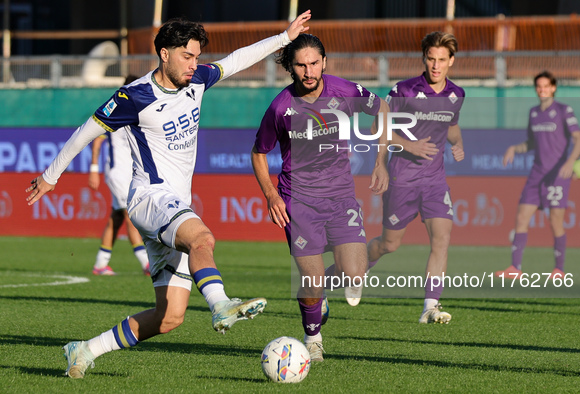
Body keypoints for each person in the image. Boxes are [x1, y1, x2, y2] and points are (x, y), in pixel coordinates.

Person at [25, 11, 311, 378]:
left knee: (170, 316)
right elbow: (87, 130)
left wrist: (284, 38)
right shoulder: (134, 95)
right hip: (149, 198)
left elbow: (236, 60)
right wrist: (51, 176)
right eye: (187, 56)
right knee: (202, 237)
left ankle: (84, 350)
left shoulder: (197, 81)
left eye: (196, 56)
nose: (195, 65)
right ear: (164, 54)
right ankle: (221, 303)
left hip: (174, 207)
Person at [251, 33, 389, 362]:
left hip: (340, 197)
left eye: (314, 63)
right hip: (298, 202)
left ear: (325, 62)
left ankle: (319, 293)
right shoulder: (280, 108)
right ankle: (313, 339)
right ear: (291, 68)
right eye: (301, 65)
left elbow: (382, 108)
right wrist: (271, 195)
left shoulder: (345, 91)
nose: (309, 71)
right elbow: (258, 153)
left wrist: (380, 161)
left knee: (355, 272)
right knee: (310, 281)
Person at [366, 31, 465, 324]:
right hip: (402, 179)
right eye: (431, 59)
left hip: (435, 181)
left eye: (442, 60)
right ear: (424, 59)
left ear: (451, 61)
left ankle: (430, 307)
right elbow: (376, 127)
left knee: (442, 239)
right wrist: (408, 145)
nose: (436, 66)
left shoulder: (456, 94)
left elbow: (451, 125)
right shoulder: (403, 91)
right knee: (389, 244)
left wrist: (457, 142)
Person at [495, 71, 580, 279]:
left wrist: (571, 162)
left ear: (553, 88)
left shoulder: (564, 110)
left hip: (557, 174)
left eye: (546, 86)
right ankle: (515, 268)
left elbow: (578, 139)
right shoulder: (534, 112)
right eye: (539, 86)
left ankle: (559, 269)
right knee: (522, 217)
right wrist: (514, 149)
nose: (542, 90)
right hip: (537, 173)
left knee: (555, 221)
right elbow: (531, 143)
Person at [88, 75, 151, 276]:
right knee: (130, 215)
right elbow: (97, 140)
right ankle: (146, 263)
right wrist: (93, 170)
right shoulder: (117, 106)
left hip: (128, 172)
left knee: (116, 217)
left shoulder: (139, 107)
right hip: (117, 173)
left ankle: (100, 264)